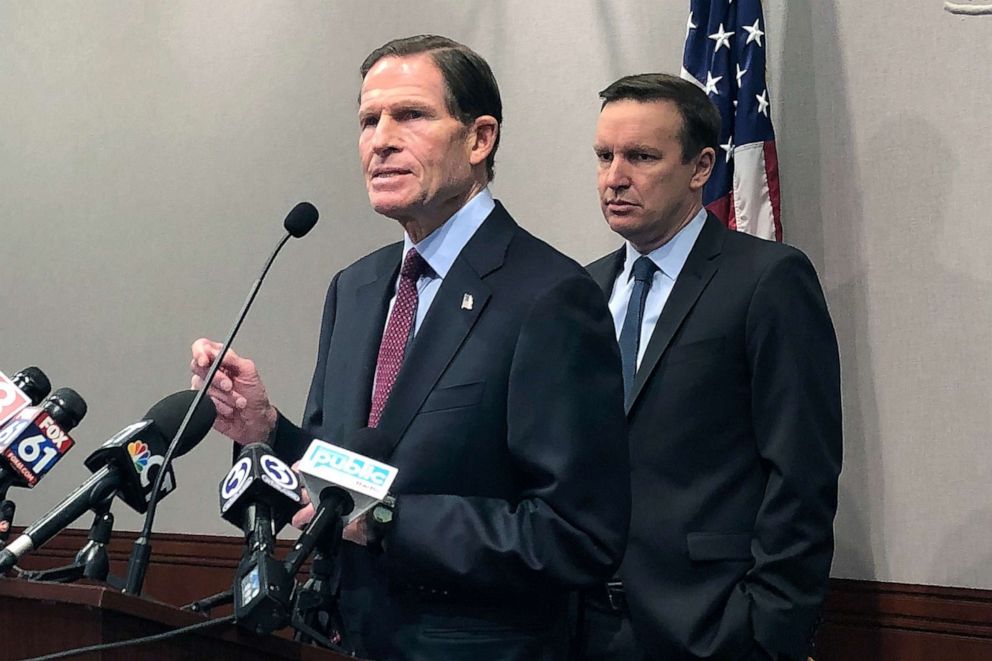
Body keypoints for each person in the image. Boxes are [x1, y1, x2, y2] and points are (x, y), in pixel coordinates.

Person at [191, 35, 630, 661]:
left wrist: (392, 522)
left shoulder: (550, 296)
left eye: (411, 116)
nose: (381, 139)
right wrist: (268, 430)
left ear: (480, 139)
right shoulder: (357, 287)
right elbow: (343, 475)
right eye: (369, 120)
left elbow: (575, 535)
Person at [577, 73, 842, 661]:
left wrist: (767, 628)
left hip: (711, 625)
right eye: (604, 156)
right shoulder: (582, 291)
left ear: (701, 168)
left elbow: (801, 471)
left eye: (641, 156)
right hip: (583, 625)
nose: (615, 176)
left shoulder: (768, 280)